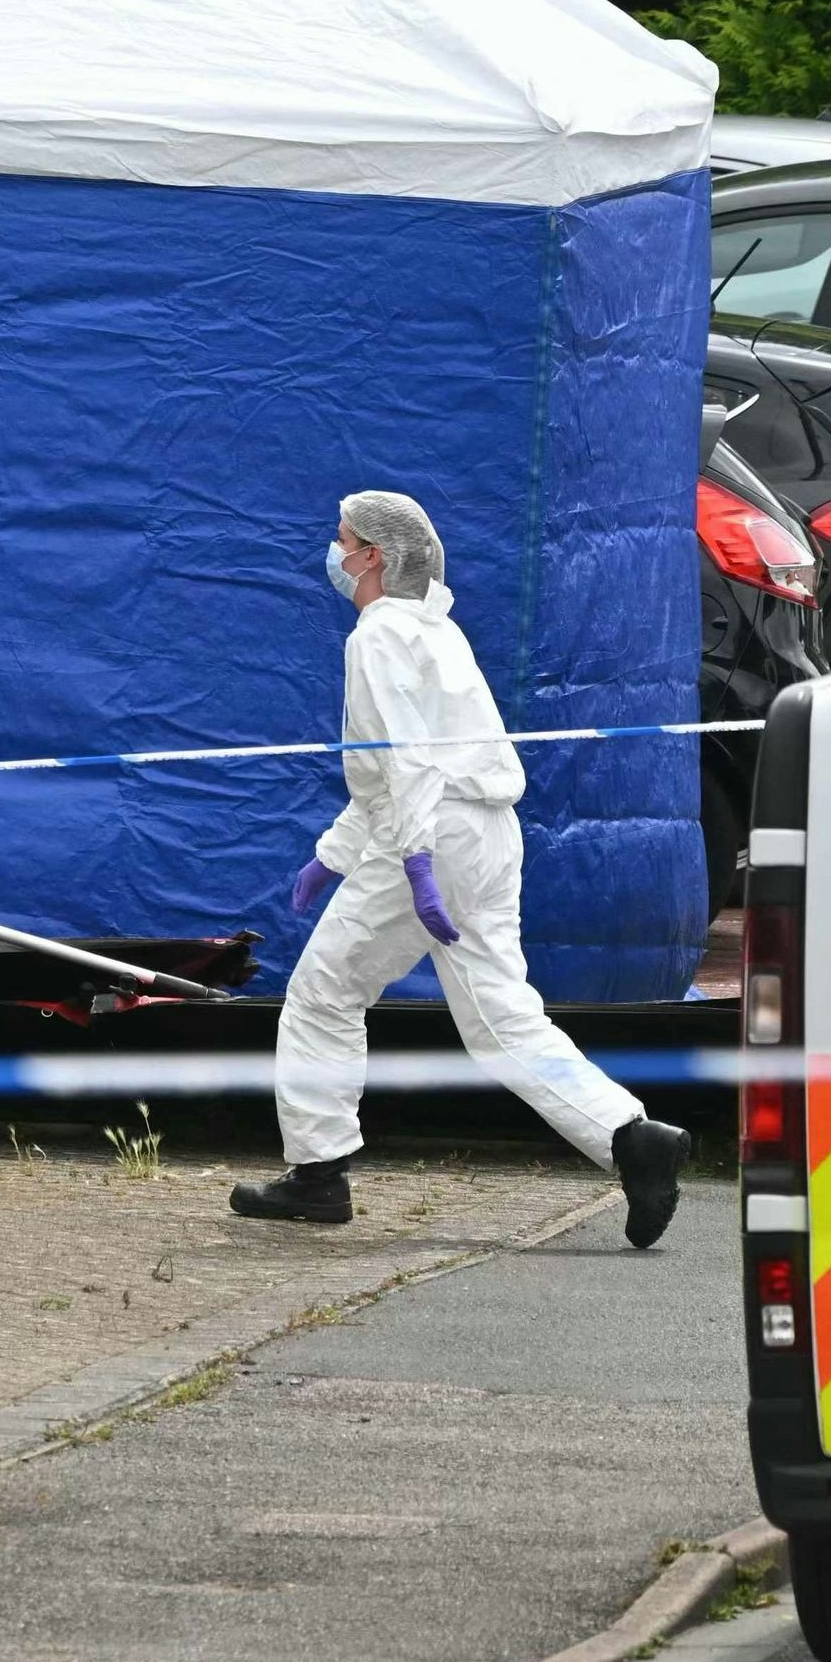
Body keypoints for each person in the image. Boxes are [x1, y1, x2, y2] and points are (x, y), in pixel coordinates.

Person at [236, 490, 694, 1247]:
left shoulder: (379, 635)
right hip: (487, 834)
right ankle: (632, 1138)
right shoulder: (438, 631)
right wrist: (334, 855)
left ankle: (318, 1175)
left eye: (342, 540)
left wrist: (415, 861)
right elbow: (396, 775)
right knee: (501, 1019)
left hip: (435, 837)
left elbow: (408, 762)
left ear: (373, 555)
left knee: (323, 995)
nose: (334, 554)